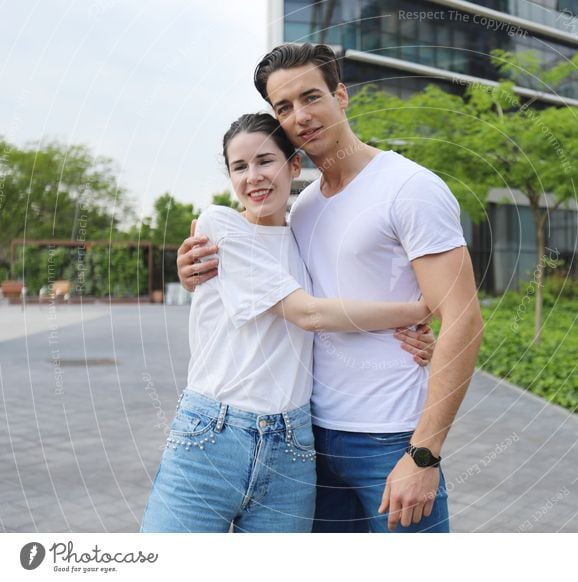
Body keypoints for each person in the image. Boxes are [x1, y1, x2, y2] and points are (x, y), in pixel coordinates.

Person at [178, 43, 484, 532]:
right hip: (307, 443)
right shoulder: (304, 208)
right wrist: (194, 263)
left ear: (341, 95)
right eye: (284, 107)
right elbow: (271, 274)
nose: (300, 116)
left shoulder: (409, 188)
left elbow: (464, 320)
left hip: (388, 439)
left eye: (311, 96)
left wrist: (423, 454)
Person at [141, 112, 434, 533]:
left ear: (294, 166)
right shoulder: (217, 226)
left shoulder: (305, 234)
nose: (253, 176)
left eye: (265, 161)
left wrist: (419, 339)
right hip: (211, 436)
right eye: (239, 167)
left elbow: (344, 298)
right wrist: (419, 308)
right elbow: (311, 313)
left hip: (293, 448)